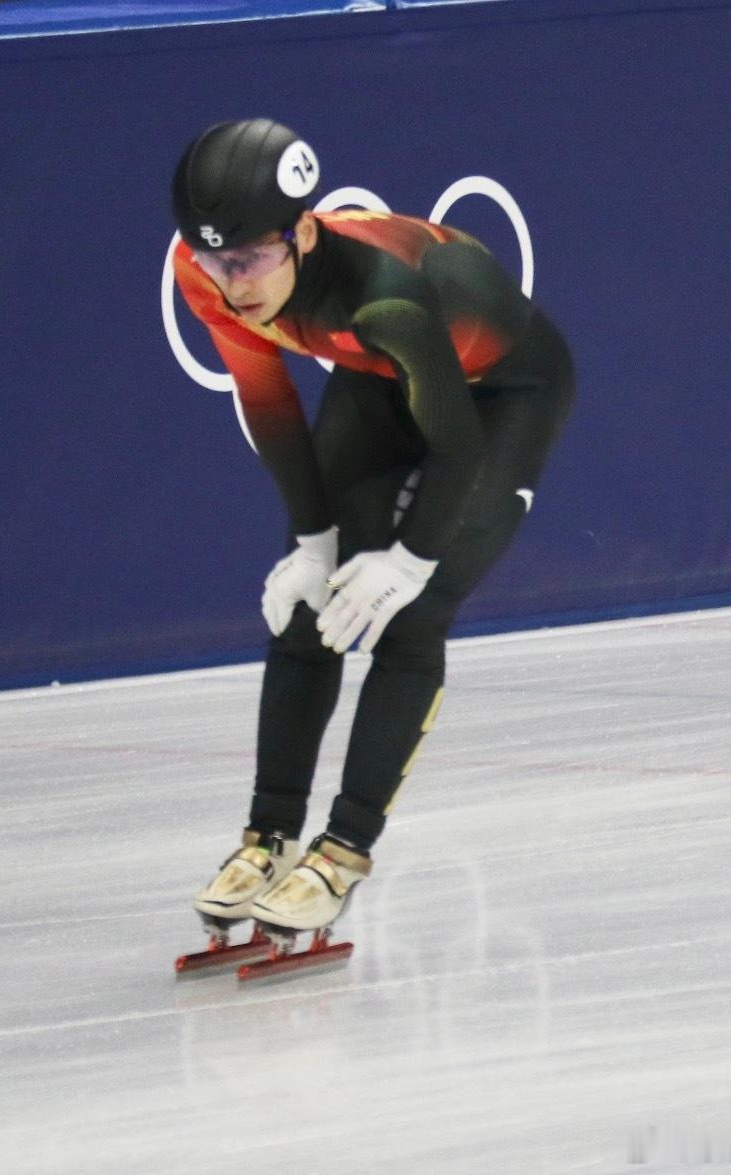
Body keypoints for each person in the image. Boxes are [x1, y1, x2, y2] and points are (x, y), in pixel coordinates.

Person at [171, 118, 574, 941]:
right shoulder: (203, 273)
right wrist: (313, 539)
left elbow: (455, 442)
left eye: (249, 256)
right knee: (310, 602)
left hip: (501, 395)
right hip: (377, 374)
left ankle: (344, 850)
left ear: (305, 232)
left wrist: (413, 558)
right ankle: (268, 834)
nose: (234, 281)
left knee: (412, 614)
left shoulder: (385, 296)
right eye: (217, 259)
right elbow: (271, 403)